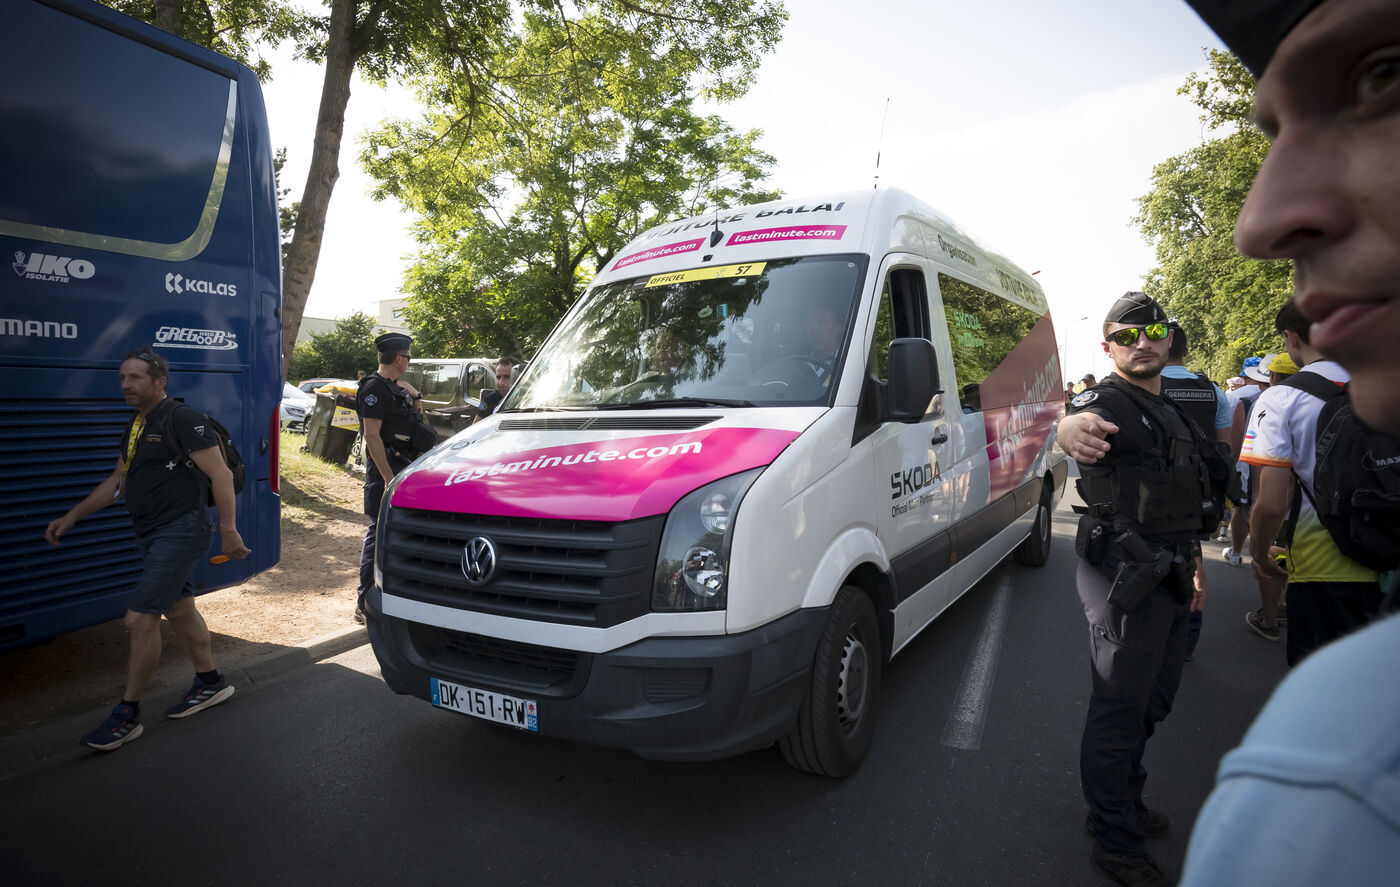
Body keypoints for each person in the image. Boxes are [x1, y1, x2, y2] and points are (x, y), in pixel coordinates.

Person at [1178, 2, 1400, 881]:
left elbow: (1267, 493)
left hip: (1322, 561)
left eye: (1383, 75)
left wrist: (1254, 554)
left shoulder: (1334, 770)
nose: (1259, 222)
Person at [1057, 292, 1229, 887]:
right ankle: (1115, 839)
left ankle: (1122, 800)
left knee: (1155, 701)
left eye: (1154, 331)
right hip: (1122, 575)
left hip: (1174, 567)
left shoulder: (1171, 408)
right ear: (1107, 346)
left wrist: (1197, 565)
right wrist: (1070, 431)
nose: (1142, 342)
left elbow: (1188, 496)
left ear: (1169, 337)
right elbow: (1072, 422)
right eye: (1126, 336)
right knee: (1118, 707)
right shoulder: (1105, 401)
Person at [45, 346, 250, 751]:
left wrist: (229, 531)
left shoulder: (181, 418)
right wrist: (73, 515)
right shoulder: (137, 424)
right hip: (152, 533)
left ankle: (127, 713)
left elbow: (222, 474)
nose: (126, 384)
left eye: (135, 377)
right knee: (180, 609)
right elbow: (117, 482)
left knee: (139, 620)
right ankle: (210, 682)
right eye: (122, 377)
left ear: (160, 381)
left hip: (181, 531)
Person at [1238, 299, 1380, 660]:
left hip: (1324, 564)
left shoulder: (1281, 397)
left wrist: (1260, 554)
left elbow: (1272, 503)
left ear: (1291, 337)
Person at [1159, 321, 1232, 660]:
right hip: (1197, 496)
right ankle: (1184, 642)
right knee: (1191, 566)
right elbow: (1224, 452)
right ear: (1186, 351)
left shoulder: (1144, 388)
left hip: (1151, 492)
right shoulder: (1214, 392)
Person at [355, 332, 431, 624]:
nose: (409, 362)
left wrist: (416, 397)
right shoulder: (374, 388)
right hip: (385, 470)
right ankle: (364, 602)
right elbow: (371, 436)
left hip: (404, 466)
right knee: (378, 532)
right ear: (399, 358)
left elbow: (418, 427)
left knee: (400, 531)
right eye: (408, 357)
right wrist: (388, 477)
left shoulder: (396, 388)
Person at [1221, 355, 1272, 566]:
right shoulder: (1287, 394)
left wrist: (1228, 466)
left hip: (1247, 463)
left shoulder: (1236, 397)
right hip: (1279, 463)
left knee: (1243, 508)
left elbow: (1233, 436)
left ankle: (1238, 552)